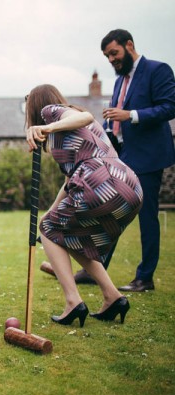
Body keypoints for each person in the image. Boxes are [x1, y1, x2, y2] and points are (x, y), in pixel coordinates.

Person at [40, 29, 175, 292]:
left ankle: (144, 277)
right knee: (106, 216)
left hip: (147, 156)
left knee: (147, 217)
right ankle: (94, 268)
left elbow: (169, 107)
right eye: (107, 56)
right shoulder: (119, 81)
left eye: (114, 53)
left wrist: (130, 115)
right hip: (120, 156)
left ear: (129, 45)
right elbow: (112, 118)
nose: (111, 60)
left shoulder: (158, 70)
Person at [25, 84, 143, 327]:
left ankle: (72, 301)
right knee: (74, 237)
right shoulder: (69, 136)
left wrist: (46, 125)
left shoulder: (52, 111)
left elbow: (86, 115)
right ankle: (113, 297)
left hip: (101, 182)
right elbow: (69, 182)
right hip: (129, 186)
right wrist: (50, 212)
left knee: (49, 229)